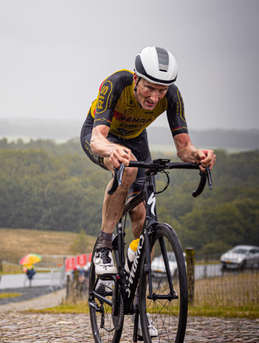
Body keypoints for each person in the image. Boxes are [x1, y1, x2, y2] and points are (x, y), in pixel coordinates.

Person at [80, 46, 216, 277]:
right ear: (136, 79)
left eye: (161, 91)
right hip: (102, 135)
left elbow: (184, 148)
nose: (154, 98)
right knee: (127, 167)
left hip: (136, 139)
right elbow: (97, 139)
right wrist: (113, 150)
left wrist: (199, 155)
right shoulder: (116, 84)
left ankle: (134, 283)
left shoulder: (172, 96)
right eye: (149, 88)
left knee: (143, 216)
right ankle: (104, 246)